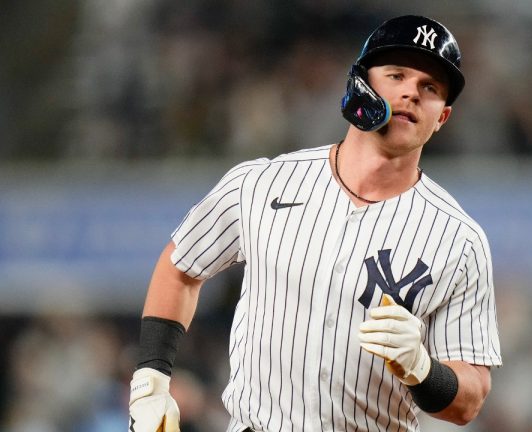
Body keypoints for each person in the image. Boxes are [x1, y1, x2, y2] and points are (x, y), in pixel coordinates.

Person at [128, 15, 502, 432]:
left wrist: (423, 367)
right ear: (360, 82)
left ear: (442, 117)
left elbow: (470, 399)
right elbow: (182, 265)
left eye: (430, 88)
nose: (411, 92)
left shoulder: (459, 240)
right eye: (396, 74)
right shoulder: (262, 181)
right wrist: (151, 382)